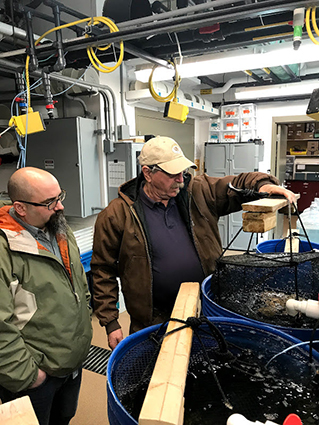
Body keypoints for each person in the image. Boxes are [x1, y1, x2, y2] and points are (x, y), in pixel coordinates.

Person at [91, 135, 296, 350]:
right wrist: (111, 322)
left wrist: (263, 185)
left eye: (182, 171)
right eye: (172, 173)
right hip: (153, 320)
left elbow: (236, 183)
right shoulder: (116, 214)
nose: (181, 179)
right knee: (158, 372)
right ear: (148, 173)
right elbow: (102, 270)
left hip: (206, 307)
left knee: (206, 364)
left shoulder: (198, 191)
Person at [0, 167, 92, 425]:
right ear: (20, 208)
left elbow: (79, 283)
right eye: (50, 202)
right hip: (34, 374)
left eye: (60, 196)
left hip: (71, 361)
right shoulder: (6, 250)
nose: (60, 207)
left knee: (63, 418)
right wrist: (28, 375)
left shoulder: (60, 229)